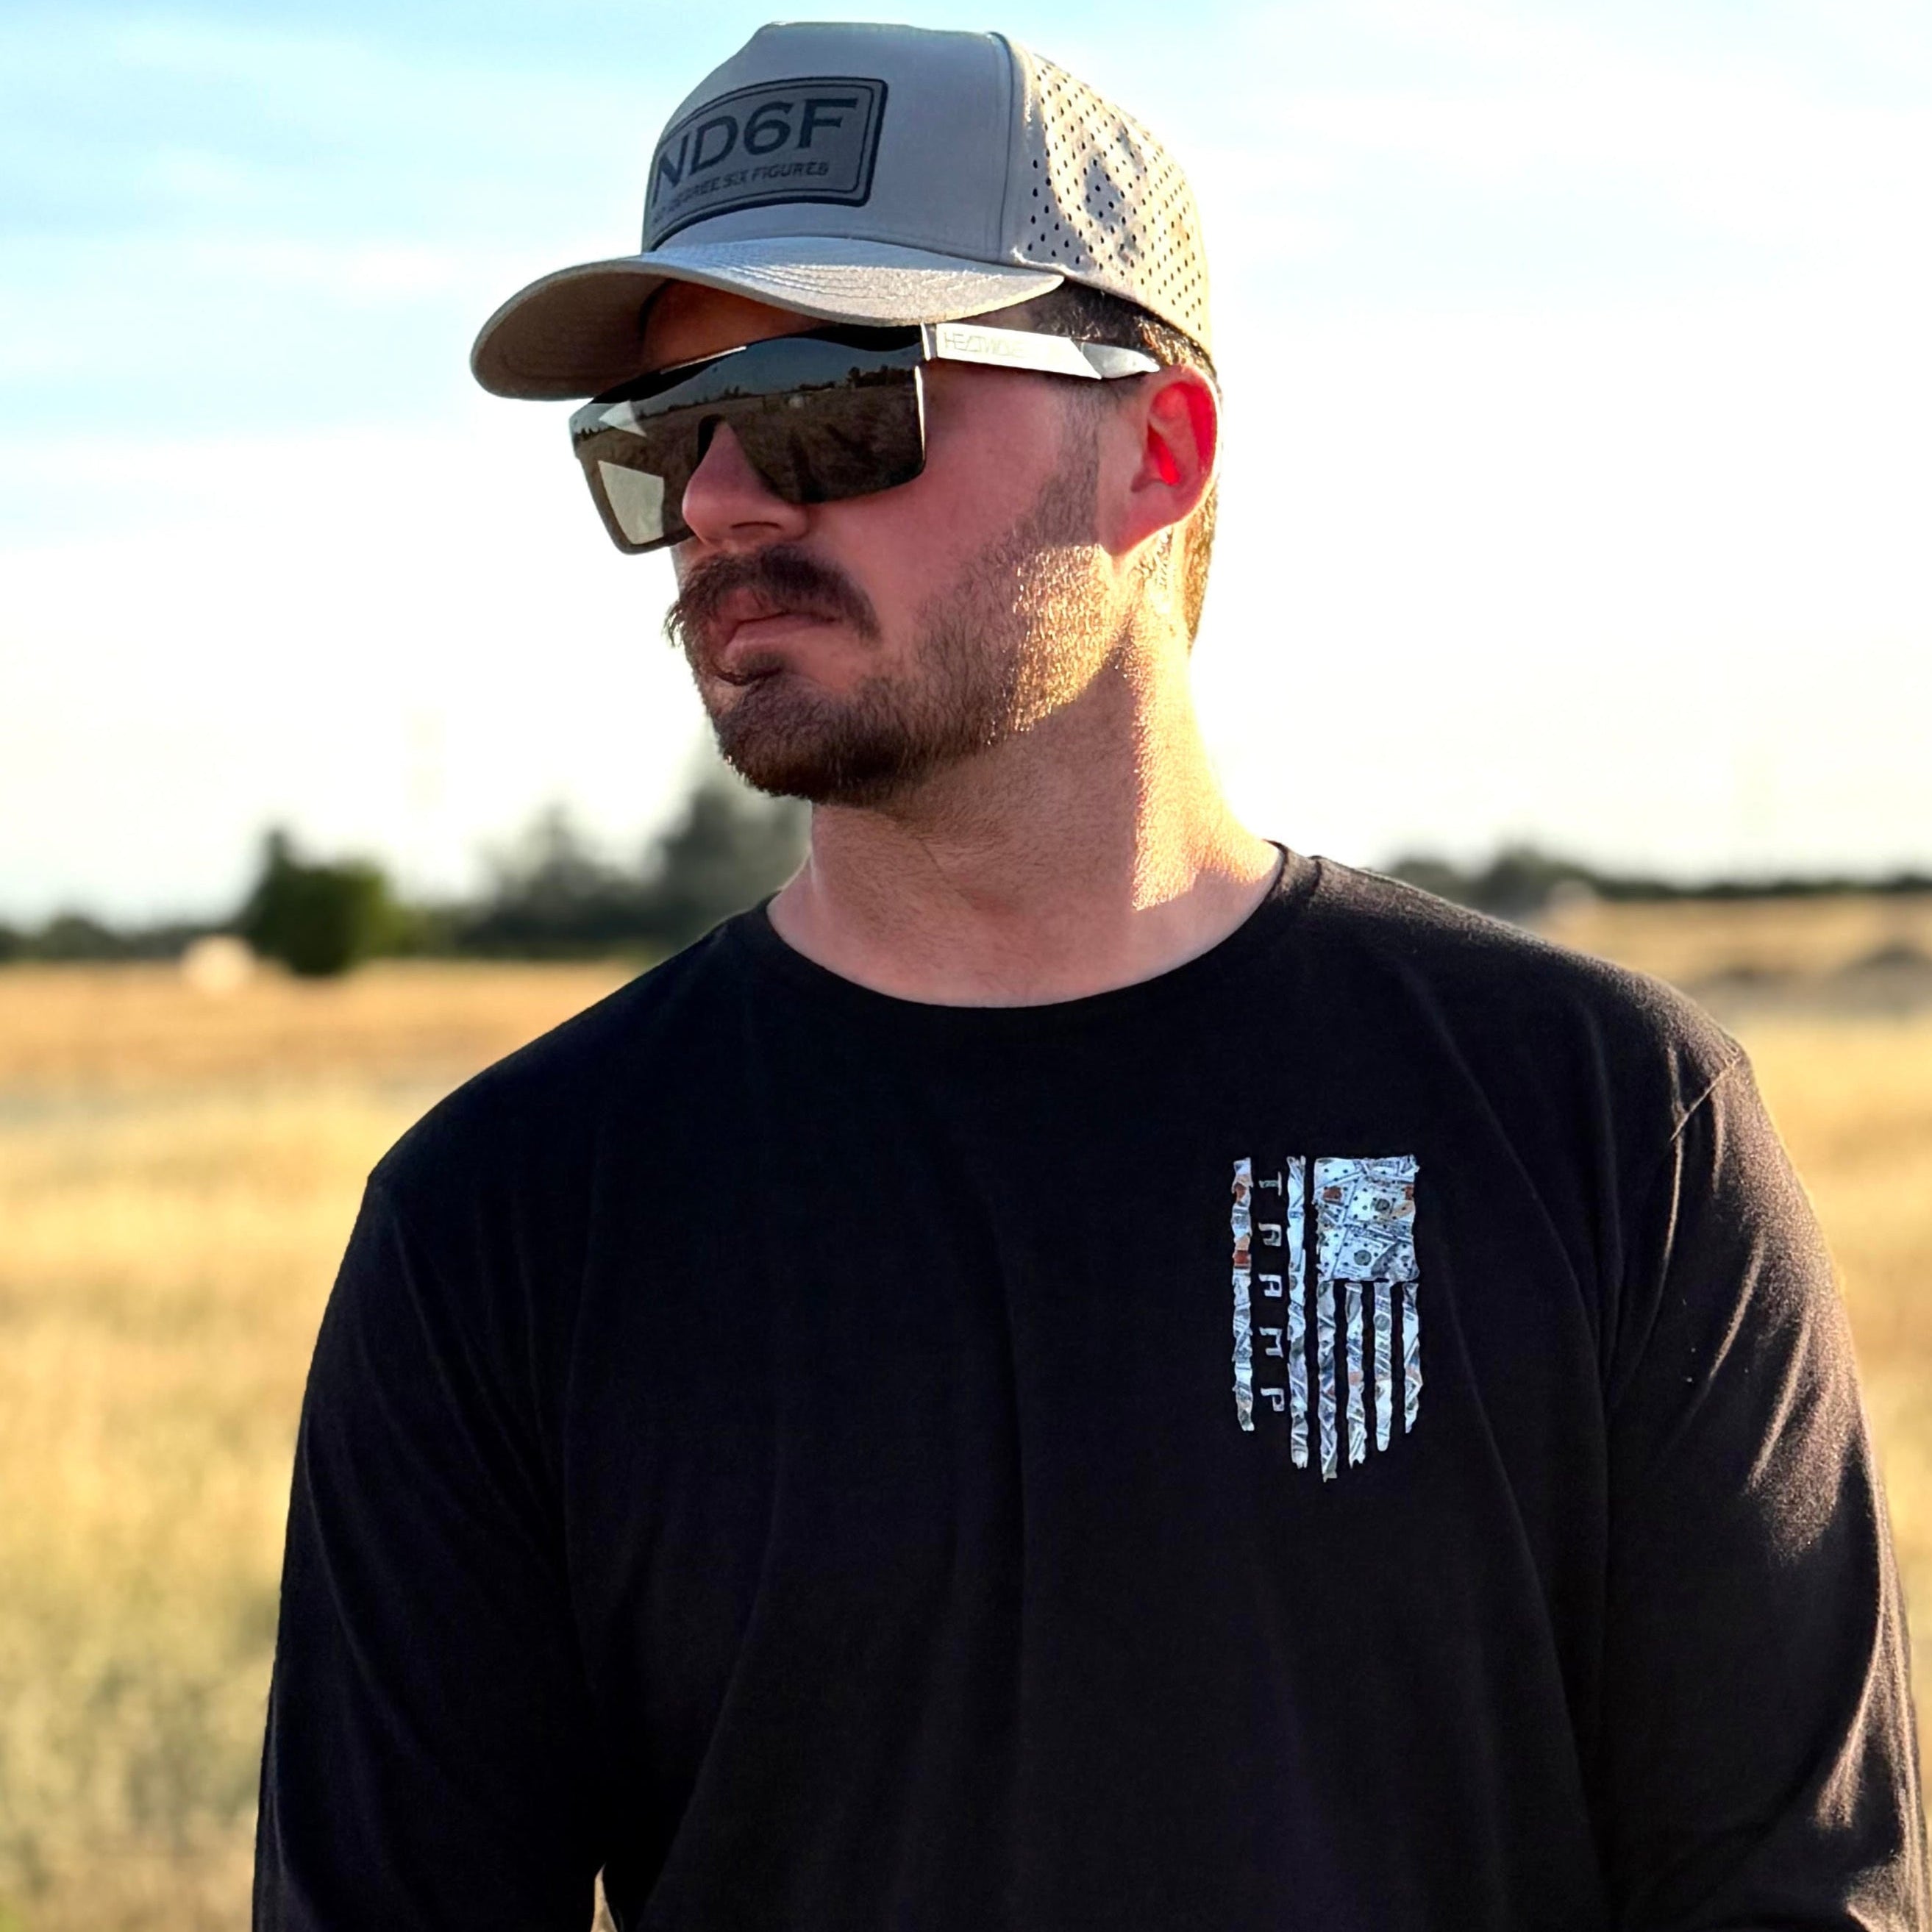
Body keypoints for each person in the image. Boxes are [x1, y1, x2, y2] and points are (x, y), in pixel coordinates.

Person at [253, 22, 1927, 1931]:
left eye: (825, 403)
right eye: (656, 436)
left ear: (1158, 453)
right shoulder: (505, 1221)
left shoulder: (1604, 1129)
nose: (718, 502)